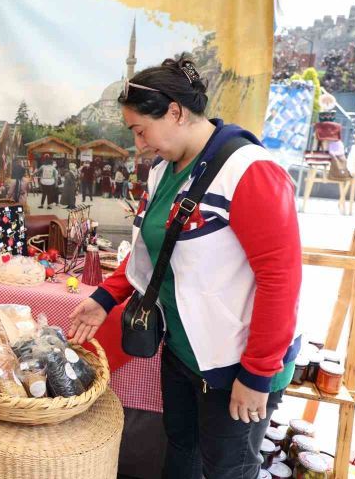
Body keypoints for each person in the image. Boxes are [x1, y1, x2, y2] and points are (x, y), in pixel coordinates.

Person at [68, 56, 302, 479]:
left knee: (227, 469)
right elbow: (151, 249)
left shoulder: (249, 171)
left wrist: (257, 373)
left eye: (141, 130)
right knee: (181, 451)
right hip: (181, 350)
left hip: (236, 363)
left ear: (175, 111)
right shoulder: (163, 171)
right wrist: (106, 297)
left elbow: (281, 280)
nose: (139, 144)